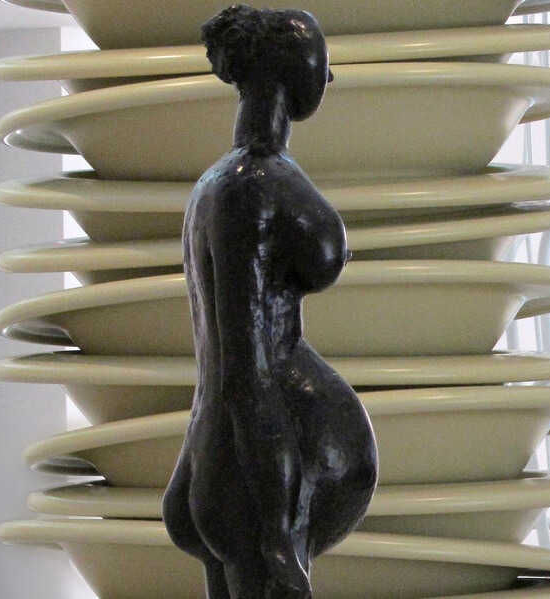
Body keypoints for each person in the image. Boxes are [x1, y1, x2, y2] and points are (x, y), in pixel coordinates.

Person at [162, 6, 378, 598]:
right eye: (322, 62)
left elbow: (222, 363)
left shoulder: (218, 184)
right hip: (255, 478)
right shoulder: (249, 187)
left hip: (225, 459)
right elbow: (246, 370)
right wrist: (278, 529)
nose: (329, 77)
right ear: (295, 69)